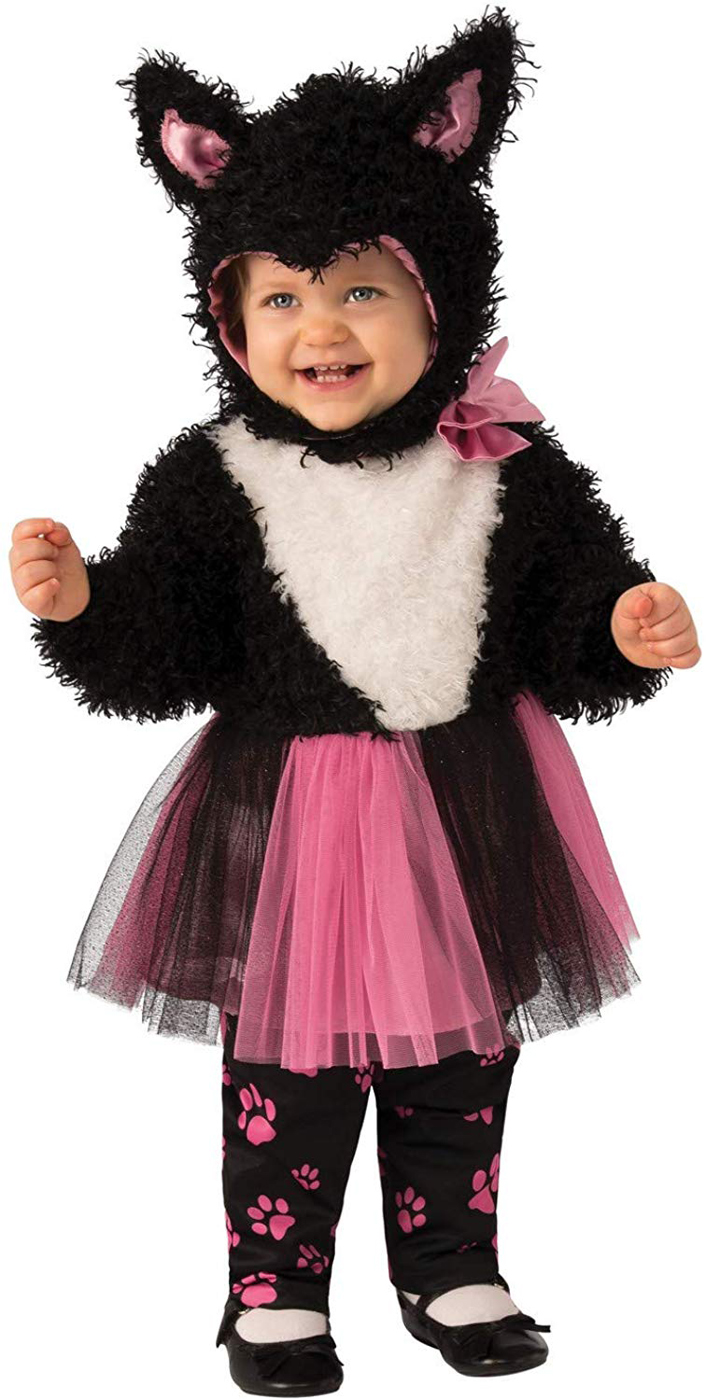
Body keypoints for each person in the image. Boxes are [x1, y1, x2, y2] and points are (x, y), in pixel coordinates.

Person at [9, 11, 700, 1395]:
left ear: (440, 296)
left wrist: (623, 629)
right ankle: (274, 1286)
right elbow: (166, 640)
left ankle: (452, 1262)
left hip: (475, 801)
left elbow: (568, 606)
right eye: (280, 299)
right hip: (294, 817)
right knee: (290, 1064)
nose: (321, 329)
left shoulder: (501, 463)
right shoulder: (213, 476)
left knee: (464, 1049)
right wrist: (86, 603)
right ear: (227, 317)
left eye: (363, 291)